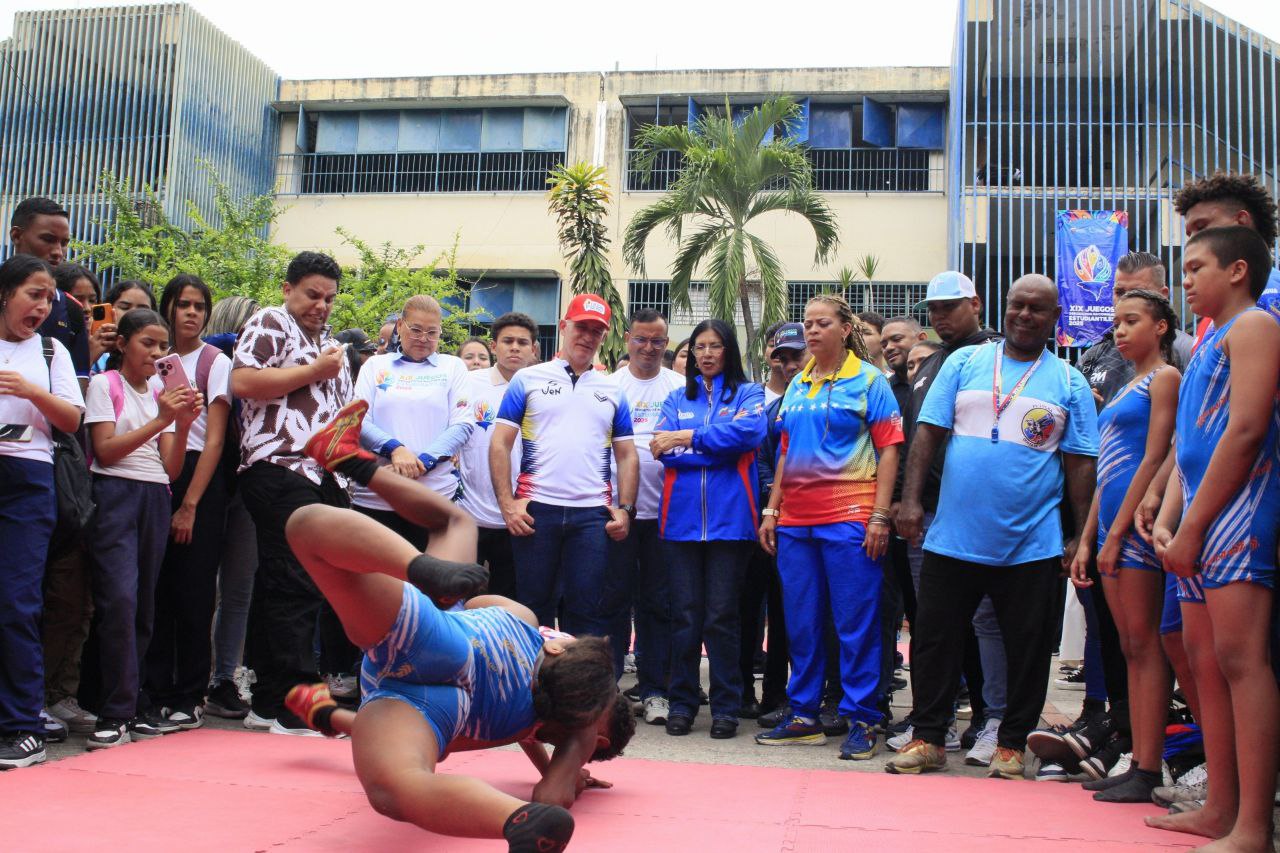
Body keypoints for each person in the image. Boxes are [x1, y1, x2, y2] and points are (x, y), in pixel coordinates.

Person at [285, 402, 631, 852]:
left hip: (437, 640)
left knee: (435, 522)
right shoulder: (532, 721)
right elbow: (550, 792)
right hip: (431, 697)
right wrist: (573, 755)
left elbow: (484, 604)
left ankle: (368, 483)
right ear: (592, 734)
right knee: (398, 786)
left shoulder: (532, 636)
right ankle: (512, 820)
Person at [889, 275, 1098, 779]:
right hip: (952, 537)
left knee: (1028, 647)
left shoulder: (1069, 382)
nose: (1025, 315)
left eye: (1037, 309)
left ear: (1055, 319)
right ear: (1004, 307)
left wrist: (1079, 535)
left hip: (1031, 543)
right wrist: (910, 501)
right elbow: (927, 434)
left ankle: (1011, 744)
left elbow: (1080, 465)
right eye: (1017, 305)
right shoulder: (964, 362)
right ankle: (928, 737)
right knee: (935, 641)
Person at [1148, 227, 1280, 851]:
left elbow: (1246, 429)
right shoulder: (1207, 341)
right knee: (1205, 662)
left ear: (1237, 270)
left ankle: (1252, 825)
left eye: (1197, 266)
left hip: (1237, 512)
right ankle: (1220, 808)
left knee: (1240, 661)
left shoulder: (1254, 327)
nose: (1186, 279)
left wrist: (1194, 525)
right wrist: (1171, 517)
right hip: (1200, 515)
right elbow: (1189, 447)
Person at [756, 295, 902, 760]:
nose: (813, 331)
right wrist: (772, 511)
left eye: (823, 323)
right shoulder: (798, 383)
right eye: (808, 324)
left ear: (845, 329)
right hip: (796, 523)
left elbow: (890, 449)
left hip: (850, 517)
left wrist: (880, 515)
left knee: (854, 623)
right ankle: (804, 716)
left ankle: (863, 718)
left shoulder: (869, 380)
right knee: (801, 622)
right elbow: (785, 451)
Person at [230, 251, 355, 735]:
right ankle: (298, 703)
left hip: (325, 475)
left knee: (290, 583)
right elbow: (243, 381)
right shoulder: (271, 321)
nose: (321, 305)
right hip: (278, 466)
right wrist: (313, 372)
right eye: (312, 295)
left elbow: (341, 415)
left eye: (329, 298)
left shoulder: (331, 346)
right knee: (294, 579)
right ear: (288, 290)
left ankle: (268, 700)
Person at [1066, 290, 1181, 803]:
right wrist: (1088, 539)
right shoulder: (1126, 385)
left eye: (1131, 321)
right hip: (1111, 525)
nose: (1119, 330)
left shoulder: (1165, 378)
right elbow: (1105, 473)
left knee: (1144, 646)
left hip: (1135, 530)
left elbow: (1156, 456)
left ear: (1160, 327)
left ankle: (1149, 766)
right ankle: (1138, 758)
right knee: (1130, 648)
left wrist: (1116, 535)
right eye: (1116, 322)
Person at [84, 308, 203, 748]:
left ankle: (132, 705)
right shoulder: (105, 384)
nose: (156, 353)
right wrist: (162, 420)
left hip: (155, 495)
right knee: (118, 600)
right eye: (147, 343)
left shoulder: (159, 391)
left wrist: (183, 424)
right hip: (114, 493)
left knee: (143, 606)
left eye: (162, 346)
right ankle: (114, 710)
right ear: (122, 344)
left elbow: (171, 469)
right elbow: (105, 451)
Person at [488, 294, 639, 638]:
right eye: (581, 327)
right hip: (537, 511)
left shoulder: (613, 389)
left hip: (592, 515)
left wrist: (626, 509)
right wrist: (507, 504)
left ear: (604, 336)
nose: (587, 336)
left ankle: (579, 675)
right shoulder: (527, 379)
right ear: (563, 327)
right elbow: (500, 443)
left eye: (596, 331)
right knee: (532, 608)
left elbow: (627, 454)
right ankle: (534, 674)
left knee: (586, 610)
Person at [649, 319, 764, 739]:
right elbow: (663, 450)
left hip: (731, 524)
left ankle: (726, 707)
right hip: (679, 525)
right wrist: (716, 448)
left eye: (715, 346)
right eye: (699, 347)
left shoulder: (749, 394)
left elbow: (748, 434)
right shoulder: (677, 397)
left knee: (721, 618)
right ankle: (682, 703)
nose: (707, 354)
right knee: (684, 617)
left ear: (728, 350)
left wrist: (687, 438)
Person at [0, 255, 84, 769]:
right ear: (5, 294)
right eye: (34, 294)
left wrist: (31, 390)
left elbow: (72, 420)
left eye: (49, 298)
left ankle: (22, 725)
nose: (43, 306)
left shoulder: (52, 351)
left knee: (17, 602)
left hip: (28, 481)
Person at [142, 275, 233, 729]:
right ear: (168, 308)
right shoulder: (152, 355)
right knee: (156, 587)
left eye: (200, 305)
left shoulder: (215, 362)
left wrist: (191, 504)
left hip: (199, 477)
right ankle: (154, 688)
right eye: (183, 304)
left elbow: (214, 440)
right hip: (152, 467)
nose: (192, 313)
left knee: (195, 590)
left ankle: (190, 693)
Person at [607, 309, 683, 722]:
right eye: (641, 339)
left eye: (657, 341)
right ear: (627, 339)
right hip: (616, 514)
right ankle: (607, 691)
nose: (649, 348)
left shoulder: (680, 387)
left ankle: (656, 690)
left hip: (667, 516)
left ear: (666, 343)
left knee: (659, 604)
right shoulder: (609, 386)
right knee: (612, 602)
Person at [352, 295, 473, 548]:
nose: (423, 338)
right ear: (400, 326)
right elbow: (359, 420)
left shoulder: (453, 367)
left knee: (430, 570)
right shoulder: (375, 366)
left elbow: (462, 425)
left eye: (432, 332)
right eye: (416, 330)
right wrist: (395, 450)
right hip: (376, 495)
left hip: (433, 496)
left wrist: (422, 462)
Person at [748, 324, 809, 720]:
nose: (789, 365)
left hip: (824, 522)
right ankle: (773, 695)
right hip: (776, 523)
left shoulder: (839, 397)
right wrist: (777, 494)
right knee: (775, 611)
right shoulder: (773, 410)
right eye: (782, 358)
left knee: (804, 616)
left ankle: (816, 697)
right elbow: (762, 459)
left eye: (796, 357)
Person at [457, 313, 540, 601]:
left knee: (508, 601)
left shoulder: (542, 389)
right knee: (459, 599)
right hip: (469, 513)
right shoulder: (468, 384)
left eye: (522, 342)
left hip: (521, 516)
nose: (515, 347)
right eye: (507, 341)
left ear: (534, 349)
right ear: (494, 346)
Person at [877, 316, 929, 727]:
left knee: (927, 615)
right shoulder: (883, 390)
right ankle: (877, 701)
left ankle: (931, 708)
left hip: (926, 516)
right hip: (884, 517)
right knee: (884, 614)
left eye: (898, 339)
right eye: (885, 342)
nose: (890, 347)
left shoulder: (935, 387)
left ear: (920, 338)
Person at [10, 198, 89, 384]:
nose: (58, 252)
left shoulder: (71, 309)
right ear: (16, 236)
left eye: (64, 243)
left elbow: (78, 383)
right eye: (48, 239)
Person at [90, 280, 157, 374]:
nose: (133, 314)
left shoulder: (158, 357)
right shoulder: (91, 348)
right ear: (109, 309)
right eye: (124, 307)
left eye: (142, 310)